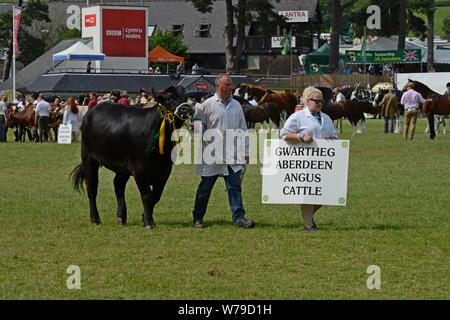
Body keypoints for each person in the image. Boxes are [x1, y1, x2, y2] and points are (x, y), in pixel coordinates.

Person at [192, 73, 255, 229]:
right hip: (211, 154)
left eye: (231, 84)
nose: (231, 87)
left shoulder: (237, 105)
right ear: (219, 86)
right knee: (205, 187)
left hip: (233, 153)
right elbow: (198, 128)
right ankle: (198, 218)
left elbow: (243, 129)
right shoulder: (207, 105)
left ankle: (239, 218)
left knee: (235, 186)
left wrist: (246, 150)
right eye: (228, 84)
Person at [280, 87, 338, 232]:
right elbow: (284, 134)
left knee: (326, 192)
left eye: (321, 101)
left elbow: (335, 135)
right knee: (308, 192)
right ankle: (308, 225)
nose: (319, 103)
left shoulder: (326, 118)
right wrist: (300, 137)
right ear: (307, 101)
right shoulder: (297, 117)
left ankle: (307, 216)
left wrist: (332, 139)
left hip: (323, 162)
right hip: (304, 161)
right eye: (315, 101)